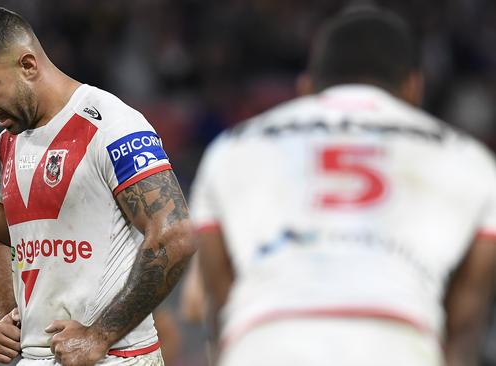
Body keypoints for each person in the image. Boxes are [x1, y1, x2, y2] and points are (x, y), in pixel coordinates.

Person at [191, 7, 496, 366]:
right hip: (396, 340)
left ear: (305, 87)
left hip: (266, 341)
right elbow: (464, 324)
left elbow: (219, 303)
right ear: (415, 87)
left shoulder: (233, 147)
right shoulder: (466, 157)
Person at [0, 6, 194, 366]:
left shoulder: (112, 124)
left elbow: (175, 234)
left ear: (28, 66)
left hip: (116, 357)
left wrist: (101, 334)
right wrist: (2, 316)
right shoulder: (7, 145)